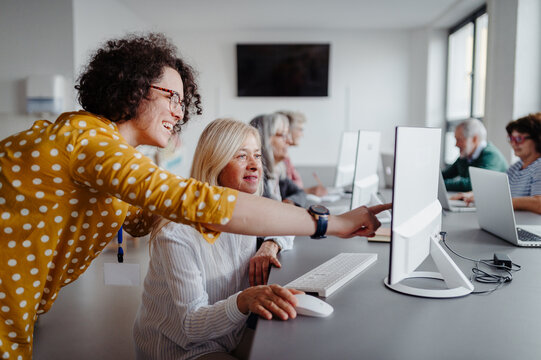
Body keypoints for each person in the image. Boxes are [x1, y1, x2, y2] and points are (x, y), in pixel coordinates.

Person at [0, 33, 386, 358]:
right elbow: (191, 205)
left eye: (183, 102)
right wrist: (331, 223)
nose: (178, 111)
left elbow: (147, 217)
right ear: (133, 89)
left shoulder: (110, 162)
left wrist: (253, 221)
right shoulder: (85, 139)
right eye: (172, 97)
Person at [133, 119, 301, 360]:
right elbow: (192, 325)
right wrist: (245, 300)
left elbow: (288, 222)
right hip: (183, 348)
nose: (254, 165)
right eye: (241, 156)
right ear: (215, 164)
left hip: (230, 335)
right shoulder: (177, 233)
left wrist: (269, 244)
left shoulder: (248, 210)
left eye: (257, 156)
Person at [453, 113, 541, 214]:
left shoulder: (539, 166)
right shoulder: (516, 167)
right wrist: (474, 195)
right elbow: (498, 191)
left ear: (537, 138)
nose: (513, 144)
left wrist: (499, 202)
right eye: (511, 139)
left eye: (519, 139)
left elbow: (539, 204)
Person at [249, 113, 307, 207]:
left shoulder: (277, 171)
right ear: (264, 139)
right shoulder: (255, 176)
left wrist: (290, 201)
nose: (290, 141)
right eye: (283, 135)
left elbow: (300, 193)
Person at [442, 118, 507, 191]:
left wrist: (440, 185)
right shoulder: (465, 156)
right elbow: (445, 175)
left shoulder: (491, 156)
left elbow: (475, 184)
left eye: (459, 140)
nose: (456, 144)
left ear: (474, 139)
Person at [277, 110, 327, 196]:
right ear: (289, 130)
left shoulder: (286, 158)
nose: (302, 135)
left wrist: (308, 191)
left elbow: (293, 189)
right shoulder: (279, 159)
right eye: (300, 130)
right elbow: (285, 193)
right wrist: (308, 191)